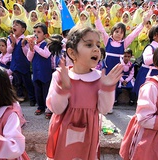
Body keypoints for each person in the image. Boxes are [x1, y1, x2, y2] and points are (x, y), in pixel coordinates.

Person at [46, 25, 123, 159]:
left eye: (98, 45)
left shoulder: (100, 78)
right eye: (89, 45)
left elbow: (105, 109)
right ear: (72, 53)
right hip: (63, 132)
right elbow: (56, 109)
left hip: (89, 133)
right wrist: (62, 89)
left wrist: (108, 89)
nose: (96, 49)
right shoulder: (60, 76)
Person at [132, 22, 158, 98]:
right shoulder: (151, 48)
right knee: (146, 95)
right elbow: (146, 60)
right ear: (155, 35)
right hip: (148, 75)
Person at [7, 19, 36, 106]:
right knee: (17, 82)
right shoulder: (10, 38)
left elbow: (27, 53)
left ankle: (32, 98)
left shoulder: (25, 39)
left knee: (27, 82)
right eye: (13, 25)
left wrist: (23, 45)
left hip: (23, 64)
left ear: (23, 29)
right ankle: (20, 97)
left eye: (17, 25)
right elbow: (9, 51)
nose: (14, 26)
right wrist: (12, 43)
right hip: (15, 64)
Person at [26, 22, 53, 117]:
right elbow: (29, 58)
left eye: (39, 32)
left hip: (45, 72)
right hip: (36, 72)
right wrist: (31, 48)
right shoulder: (34, 46)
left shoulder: (47, 44)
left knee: (46, 90)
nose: (35, 34)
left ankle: (48, 108)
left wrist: (35, 47)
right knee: (37, 90)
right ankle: (40, 106)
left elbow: (46, 54)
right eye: (34, 32)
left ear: (45, 35)